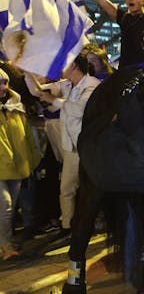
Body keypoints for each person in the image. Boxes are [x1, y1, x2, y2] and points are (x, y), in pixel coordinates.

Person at [27, 55, 100, 239]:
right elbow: (37, 91)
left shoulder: (92, 84)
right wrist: (26, 70)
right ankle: (68, 226)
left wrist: (53, 100)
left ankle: (96, 221)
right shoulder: (66, 85)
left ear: (74, 65)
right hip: (72, 148)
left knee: (93, 187)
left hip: (90, 146)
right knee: (67, 188)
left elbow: (79, 110)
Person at [0, 69, 41, 260]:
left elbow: (27, 138)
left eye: (5, 82)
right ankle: (6, 245)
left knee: (10, 206)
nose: (3, 87)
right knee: (6, 206)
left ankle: (4, 242)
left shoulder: (16, 107)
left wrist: (32, 159)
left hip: (16, 167)